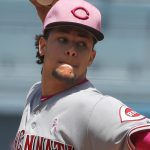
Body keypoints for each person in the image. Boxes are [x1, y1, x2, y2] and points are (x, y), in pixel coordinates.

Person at [14, 0, 150, 149]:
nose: (72, 50)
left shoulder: (94, 107)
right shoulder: (35, 93)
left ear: (91, 58)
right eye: (63, 39)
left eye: (82, 44)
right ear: (43, 46)